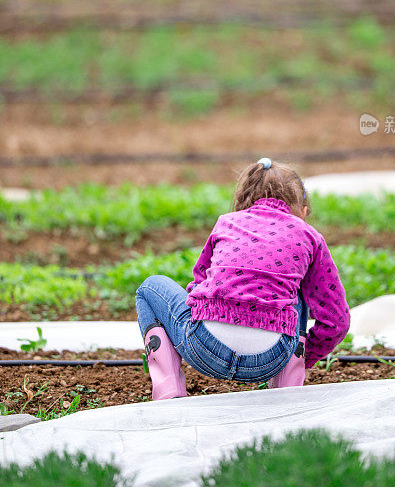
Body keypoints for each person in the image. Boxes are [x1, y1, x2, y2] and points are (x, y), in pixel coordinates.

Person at [135, 158, 350, 400]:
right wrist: (305, 355)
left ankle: (169, 389)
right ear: (302, 210)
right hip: (272, 359)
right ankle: (288, 385)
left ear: (244, 202)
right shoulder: (310, 236)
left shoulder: (226, 223)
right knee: (296, 289)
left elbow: (199, 284)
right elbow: (336, 321)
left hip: (204, 349)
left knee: (149, 288)